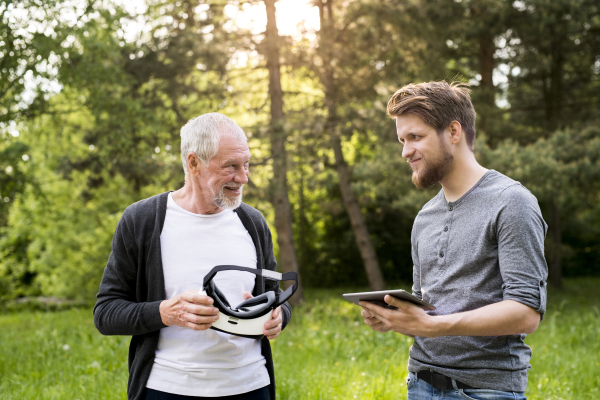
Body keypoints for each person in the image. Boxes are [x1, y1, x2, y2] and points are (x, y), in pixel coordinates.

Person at [360, 81, 548, 399]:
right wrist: (396, 318)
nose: (405, 151)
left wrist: (434, 326)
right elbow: (426, 304)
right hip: (419, 384)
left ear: (453, 132)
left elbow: (526, 312)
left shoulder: (511, 201)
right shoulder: (424, 217)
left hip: (486, 390)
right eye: (402, 140)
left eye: (415, 137)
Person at [94, 113, 292, 400]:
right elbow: (106, 312)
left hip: (250, 386)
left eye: (246, 164)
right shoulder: (142, 220)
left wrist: (278, 317)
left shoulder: (253, 222)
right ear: (194, 162)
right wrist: (166, 312)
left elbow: (276, 295)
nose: (244, 177)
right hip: (167, 389)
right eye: (231, 166)